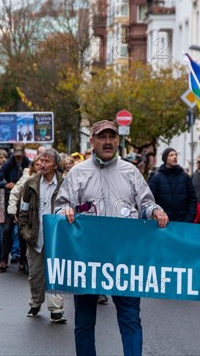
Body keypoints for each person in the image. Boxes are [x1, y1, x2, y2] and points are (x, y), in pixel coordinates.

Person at [54, 120, 169, 356]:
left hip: (125, 259)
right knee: (84, 321)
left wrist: (155, 211)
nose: (107, 142)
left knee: (130, 319)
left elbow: (146, 203)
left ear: (118, 140)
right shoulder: (78, 173)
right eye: (102, 137)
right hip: (88, 260)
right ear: (92, 141)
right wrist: (64, 211)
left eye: (112, 137)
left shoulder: (131, 172)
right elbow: (61, 206)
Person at [18, 149, 66, 323]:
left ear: (55, 165)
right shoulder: (30, 184)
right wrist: (25, 231)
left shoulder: (64, 184)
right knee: (35, 274)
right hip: (34, 237)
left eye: (47, 161)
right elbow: (22, 211)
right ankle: (35, 302)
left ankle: (56, 309)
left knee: (55, 272)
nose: (42, 164)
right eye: (41, 161)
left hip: (56, 238)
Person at [0, 143, 31, 269]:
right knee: (7, 230)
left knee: (23, 230)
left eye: (20, 154)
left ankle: (22, 260)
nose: (18, 157)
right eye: (16, 154)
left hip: (25, 199)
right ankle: (3, 259)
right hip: (11, 199)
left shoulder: (28, 163)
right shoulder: (8, 164)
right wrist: (6, 184)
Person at [149, 147, 197, 223]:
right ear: (165, 159)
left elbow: (192, 199)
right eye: (171, 155)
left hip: (183, 222)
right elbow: (151, 201)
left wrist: (189, 218)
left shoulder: (185, 177)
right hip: (162, 222)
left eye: (176, 155)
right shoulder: (156, 178)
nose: (175, 157)